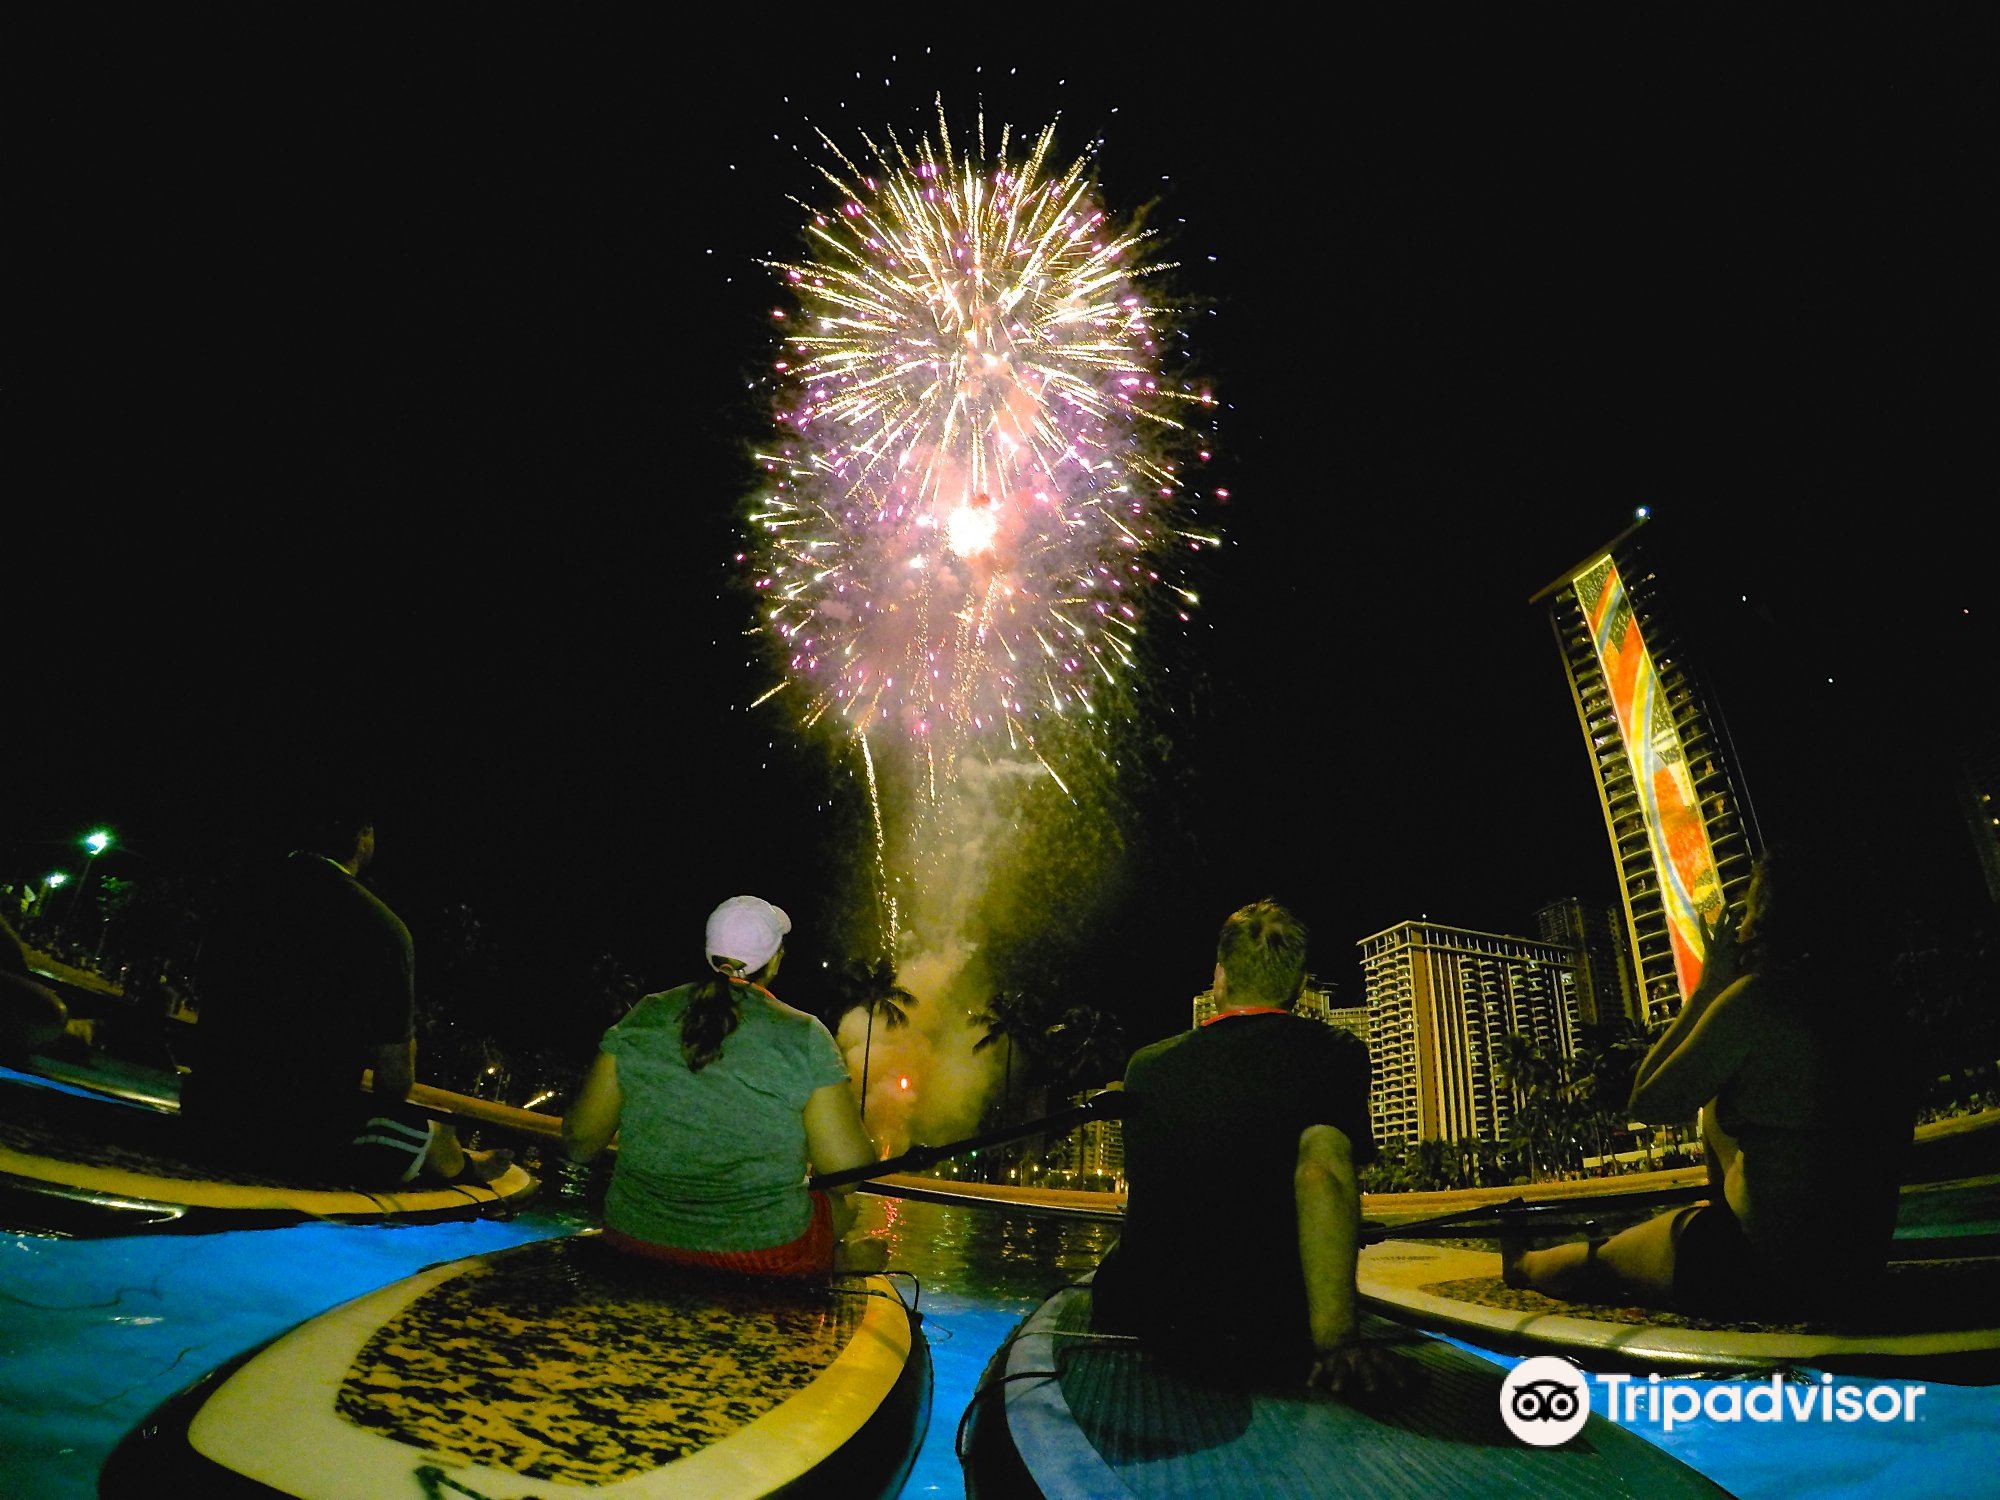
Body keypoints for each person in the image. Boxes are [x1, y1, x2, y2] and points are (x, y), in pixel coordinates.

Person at [1505, 846, 1914, 1318]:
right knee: (1723, 1106)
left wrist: (1707, 989)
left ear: (1769, 923)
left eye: (1746, 913)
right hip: (1858, 1268)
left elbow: (1646, 1101)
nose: (1738, 929)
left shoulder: (1760, 1000)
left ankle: (1522, 1264)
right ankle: (1713, 1215)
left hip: (1764, 1276)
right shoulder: (1882, 1011)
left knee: (1605, 1261)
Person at [1091, 900, 1405, 1394]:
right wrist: (1338, 1343)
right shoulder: (1334, 1055)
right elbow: (1322, 1174)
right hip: (1270, 1337)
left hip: (1157, 1328)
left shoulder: (1145, 1067)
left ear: (1219, 976)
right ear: (1300, 984)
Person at [563, 895, 886, 1276]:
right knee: (844, 1205)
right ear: (776, 960)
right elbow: (846, 1172)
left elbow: (579, 1143)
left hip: (635, 1235)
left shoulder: (646, 1014)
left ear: (708, 954)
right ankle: (835, 1261)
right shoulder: (804, 1034)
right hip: (760, 1253)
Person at [182, 809, 506, 1186]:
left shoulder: (241, 895)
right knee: (431, 1131)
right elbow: (395, 1080)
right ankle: (462, 1167)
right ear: (363, 836)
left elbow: (203, 989)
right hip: (296, 1138)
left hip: (205, 1109)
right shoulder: (382, 928)